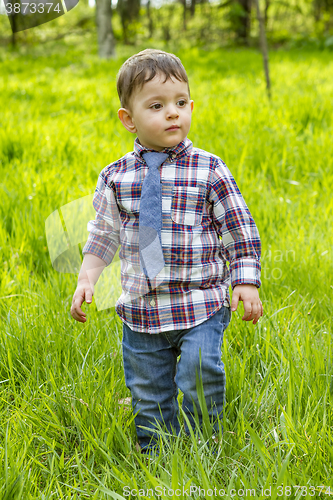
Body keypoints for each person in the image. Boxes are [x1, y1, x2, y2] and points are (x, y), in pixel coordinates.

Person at [70, 49, 263, 455]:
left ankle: (203, 444)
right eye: (156, 106)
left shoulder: (209, 169)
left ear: (191, 106)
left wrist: (244, 280)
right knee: (147, 387)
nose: (172, 114)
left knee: (198, 368)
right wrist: (87, 277)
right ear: (129, 119)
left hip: (200, 300)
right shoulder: (115, 178)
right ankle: (156, 451)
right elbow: (103, 235)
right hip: (141, 308)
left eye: (180, 103)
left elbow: (238, 228)